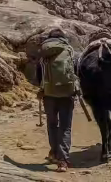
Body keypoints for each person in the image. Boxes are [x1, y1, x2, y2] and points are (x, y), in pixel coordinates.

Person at [36, 28, 77, 172]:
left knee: (52, 124)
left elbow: (38, 75)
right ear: (63, 38)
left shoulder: (44, 53)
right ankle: (63, 161)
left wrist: (42, 89)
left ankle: (53, 153)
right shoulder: (70, 51)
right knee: (65, 127)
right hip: (67, 93)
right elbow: (75, 72)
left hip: (48, 95)